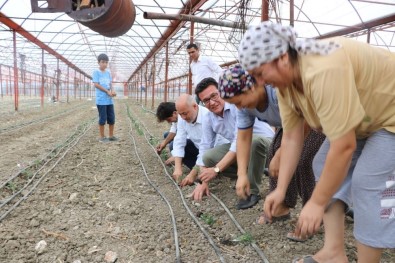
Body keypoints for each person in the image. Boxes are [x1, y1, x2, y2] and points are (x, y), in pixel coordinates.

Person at [238, 21, 395, 263]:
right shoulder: (286, 86)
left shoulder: (323, 69)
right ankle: (334, 252)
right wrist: (280, 189)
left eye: (260, 73)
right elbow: (291, 137)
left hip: (390, 117)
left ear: (281, 57)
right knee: (321, 163)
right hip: (368, 119)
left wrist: (317, 202)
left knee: (369, 183)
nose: (261, 82)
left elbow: (344, 146)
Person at [218, 65, 325, 240]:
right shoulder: (245, 107)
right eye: (234, 104)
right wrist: (242, 174)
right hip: (289, 126)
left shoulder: (276, 92)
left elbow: (304, 119)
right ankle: (281, 206)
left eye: (239, 101)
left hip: (315, 120)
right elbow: (243, 138)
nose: (238, 108)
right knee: (272, 152)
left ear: (253, 87)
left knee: (305, 160)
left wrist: (283, 153)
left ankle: (313, 214)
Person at [188, 77, 274, 209]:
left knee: (254, 141)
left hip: (267, 146)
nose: (212, 102)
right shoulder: (208, 117)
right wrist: (202, 180)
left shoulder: (236, 105)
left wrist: (216, 170)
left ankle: (253, 192)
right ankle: (255, 170)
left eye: (214, 96)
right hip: (243, 147)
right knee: (208, 157)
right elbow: (205, 146)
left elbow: (238, 142)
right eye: (206, 100)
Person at [172, 94, 227, 183]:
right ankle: (202, 171)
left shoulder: (208, 116)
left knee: (207, 156)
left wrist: (192, 174)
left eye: (185, 113)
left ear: (195, 106)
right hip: (201, 150)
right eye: (180, 114)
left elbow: (207, 148)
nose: (183, 117)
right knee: (177, 146)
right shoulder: (182, 117)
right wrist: (177, 168)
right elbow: (179, 141)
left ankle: (212, 172)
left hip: (217, 153)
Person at [155, 101, 196, 167]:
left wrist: (176, 156)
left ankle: (195, 167)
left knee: (172, 145)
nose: (168, 122)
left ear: (174, 113)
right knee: (167, 135)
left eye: (168, 119)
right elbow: (173, 130)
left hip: (200, 144)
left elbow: (185, 138)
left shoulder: (185, 117)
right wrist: (163, 143)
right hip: (191, 139)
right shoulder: (178, 116)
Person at [92, 53, 118, 143]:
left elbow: (110, 84)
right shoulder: (96, 72)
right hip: (101, 100)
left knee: (111, 118)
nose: (105, 64)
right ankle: (102, 137)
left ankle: (111, 136)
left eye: (106, 62)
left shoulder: (108, 73)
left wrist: (113, 90)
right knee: (102, 118)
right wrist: (107, 91)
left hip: (109, 100)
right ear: (98, 62)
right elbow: (96, 84)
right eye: (103, 62)